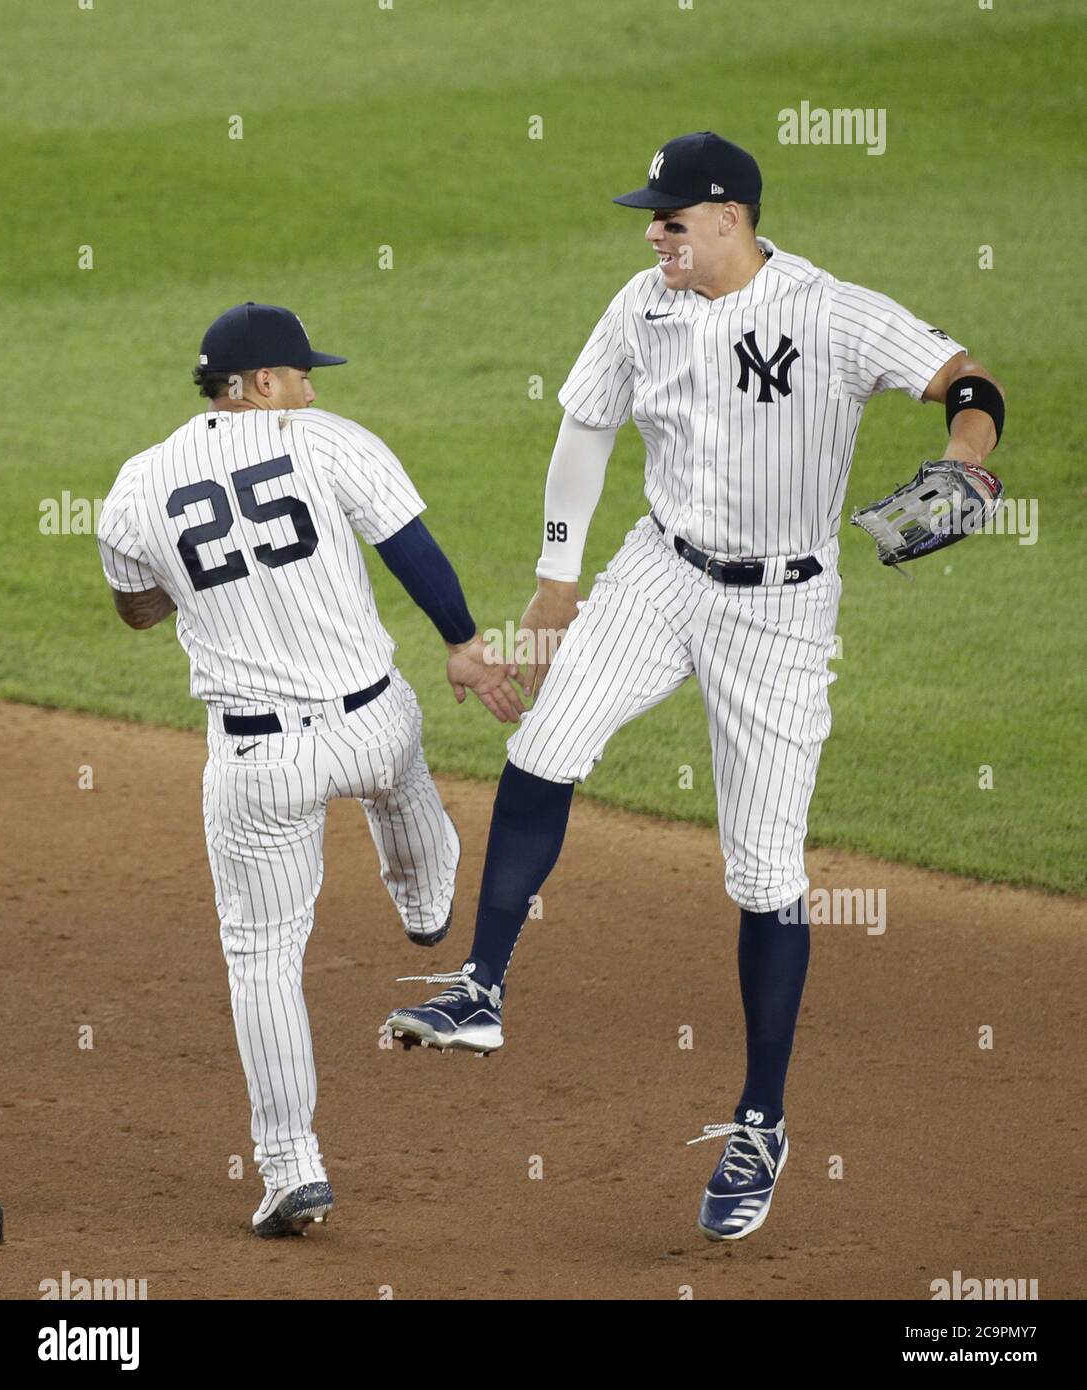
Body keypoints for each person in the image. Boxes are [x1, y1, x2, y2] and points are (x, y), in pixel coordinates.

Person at [385, 133, 1005, 1242]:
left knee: (764, 868)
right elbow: (585, 427)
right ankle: (482, 985)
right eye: (652, 218)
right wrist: (555, 586)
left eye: (671, 218)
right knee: (542, 746)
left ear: (730, 217)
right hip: (659, 569)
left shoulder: (827, 310)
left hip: (779, 610)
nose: (652, 234)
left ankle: (761, 1121)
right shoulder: (642, 304)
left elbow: (966, 378)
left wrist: (968, 455)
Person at [96, 302, 523, 1237]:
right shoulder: (326, 440)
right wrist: (461, 643)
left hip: (256, 760)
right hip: (373, 724)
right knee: (400, 779)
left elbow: (135, 610)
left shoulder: (135, 484)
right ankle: (421, 904)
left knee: (260, 963)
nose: (312, 386)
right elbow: (409, 546)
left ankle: (293, 1170)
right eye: (298, 373)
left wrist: (215, 582)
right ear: (256, 387)